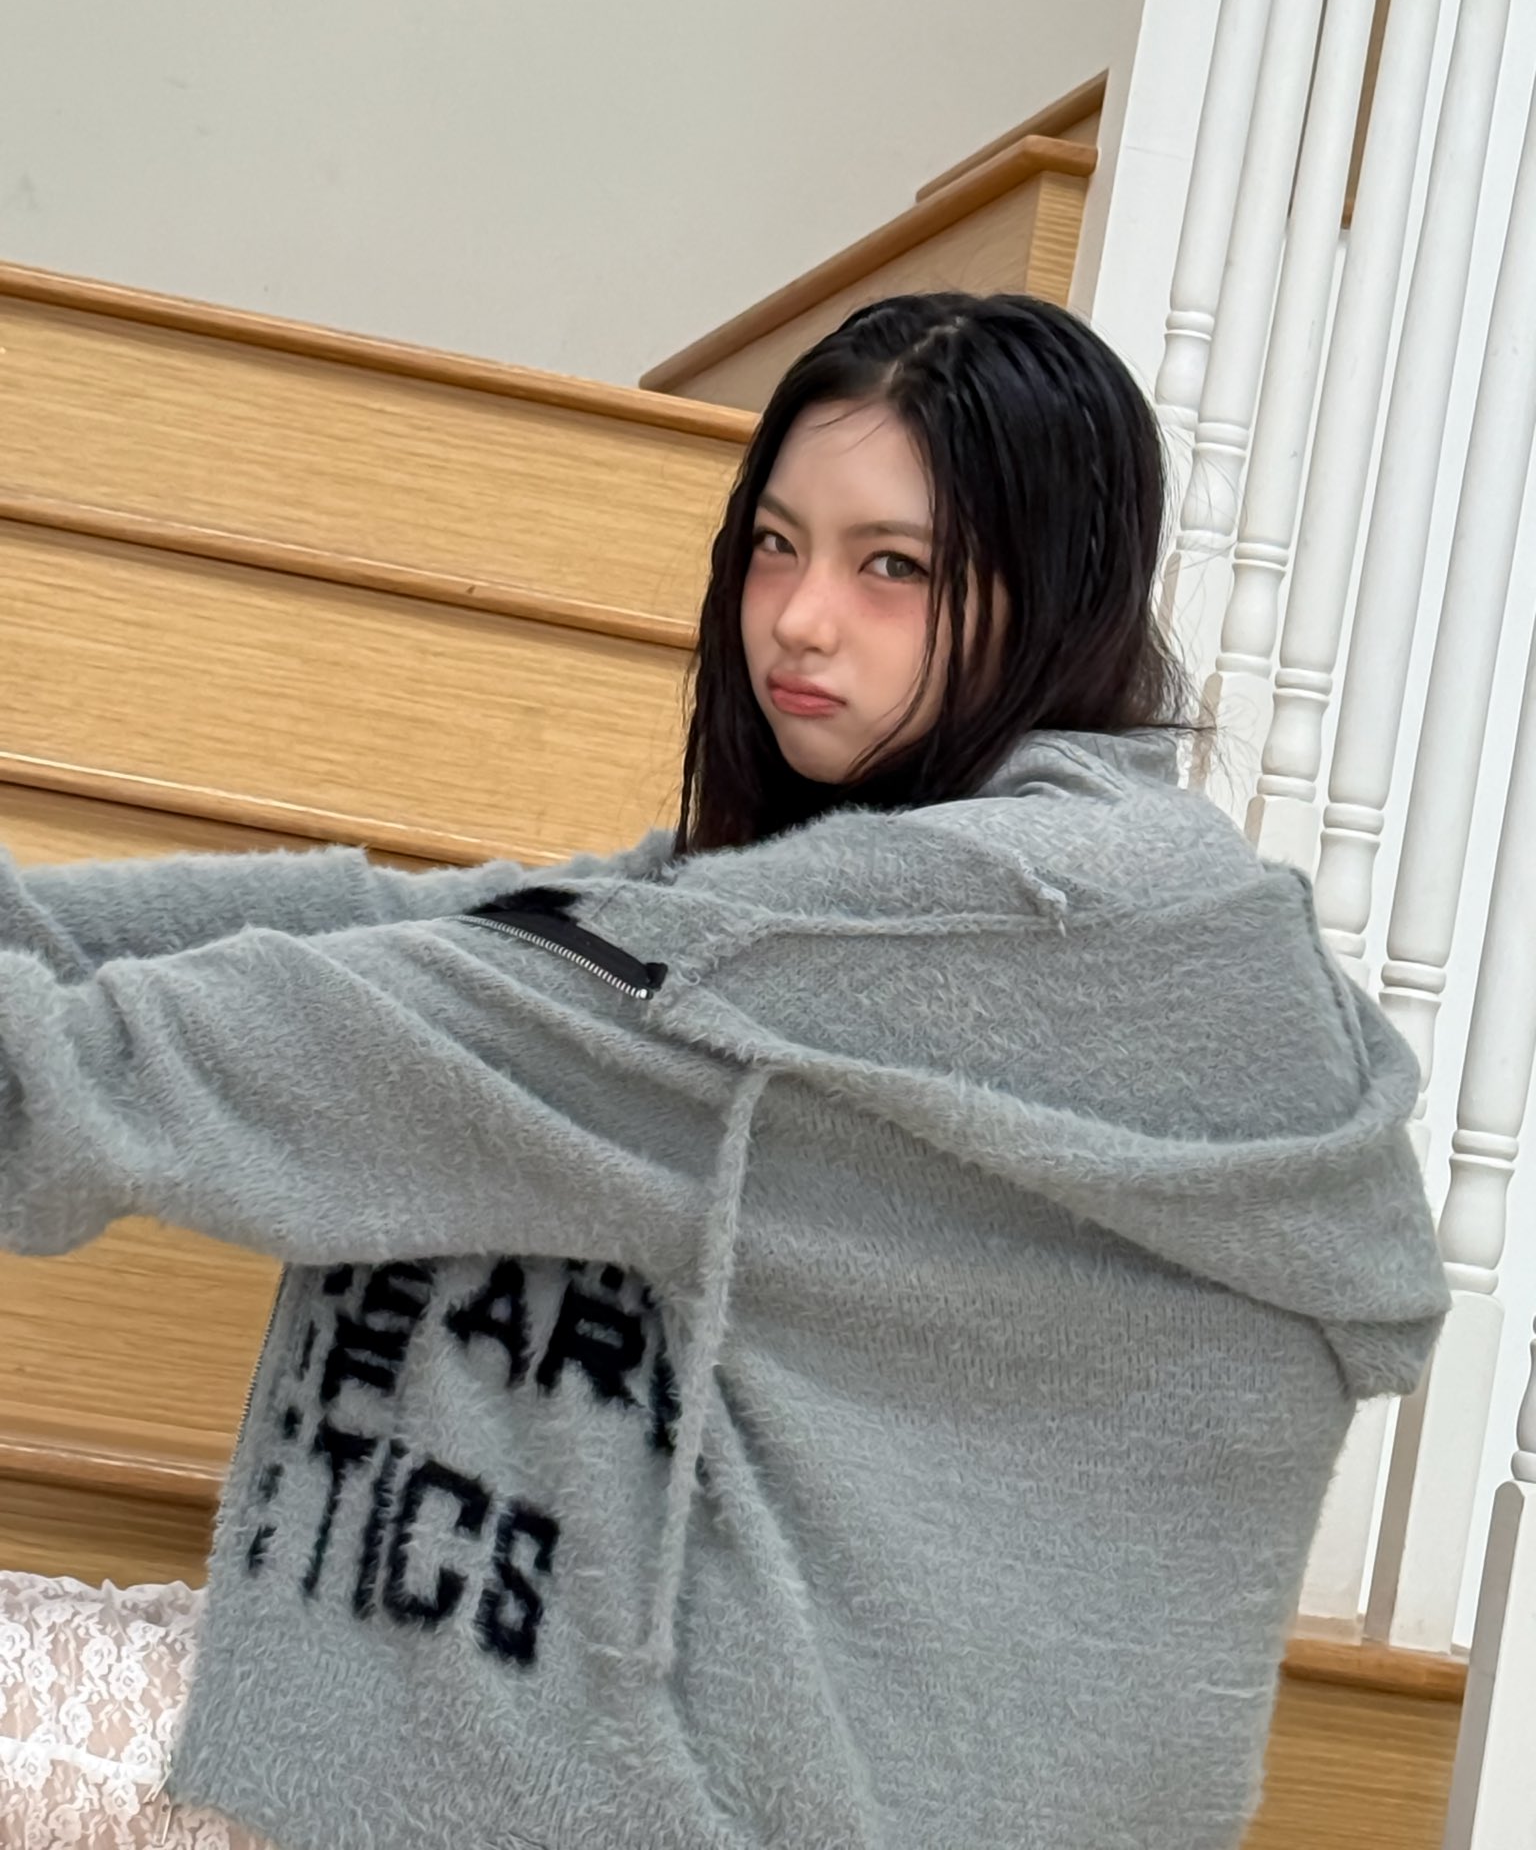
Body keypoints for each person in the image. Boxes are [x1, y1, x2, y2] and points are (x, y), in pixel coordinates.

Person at [0, 292, 1448, 1850]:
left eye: (894, 567)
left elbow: (433, 1022)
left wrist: (63, 1043)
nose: (799, 619)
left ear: (1053, 590)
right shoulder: (1068, 905)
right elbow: (470, 936)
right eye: (775, 544)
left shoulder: (946, 926)